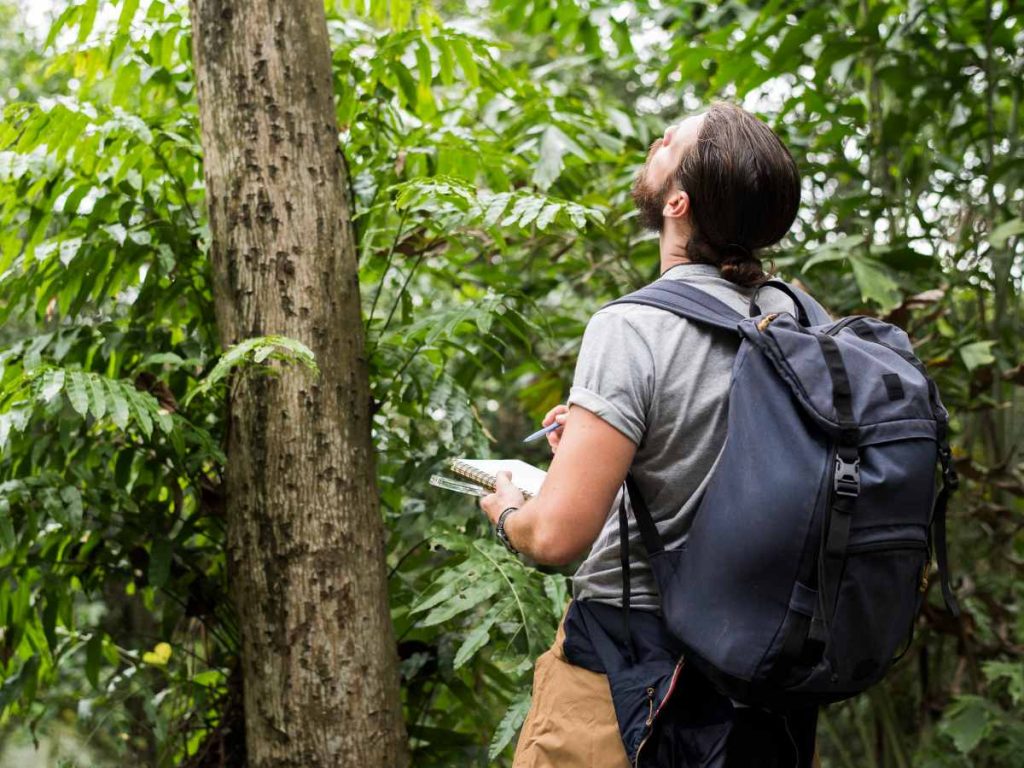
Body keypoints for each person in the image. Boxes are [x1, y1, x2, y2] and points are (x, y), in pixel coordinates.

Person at [479, 101, 826, 767]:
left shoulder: (634, 327)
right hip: (766, 678)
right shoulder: (805, 318)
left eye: (672, 142)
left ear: (679, 205)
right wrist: (602, 450)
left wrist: (509, 512)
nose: (658, 139)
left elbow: (556, 537)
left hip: (623, 674)